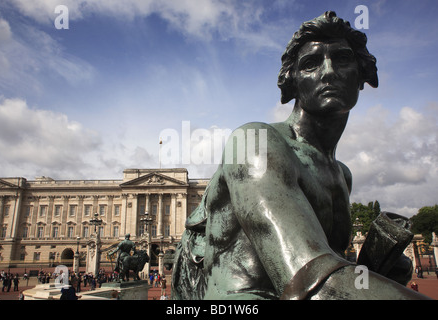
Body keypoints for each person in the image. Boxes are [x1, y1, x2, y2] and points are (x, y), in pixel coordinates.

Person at [172, 11, 428, 300]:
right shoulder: (253, 142)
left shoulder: (342, 174)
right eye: (310, 64)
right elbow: (310, 285)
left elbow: (330, 273)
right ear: (291, 82)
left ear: (363, 76)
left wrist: (375, 269)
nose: (328, 71)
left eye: (342, 59)